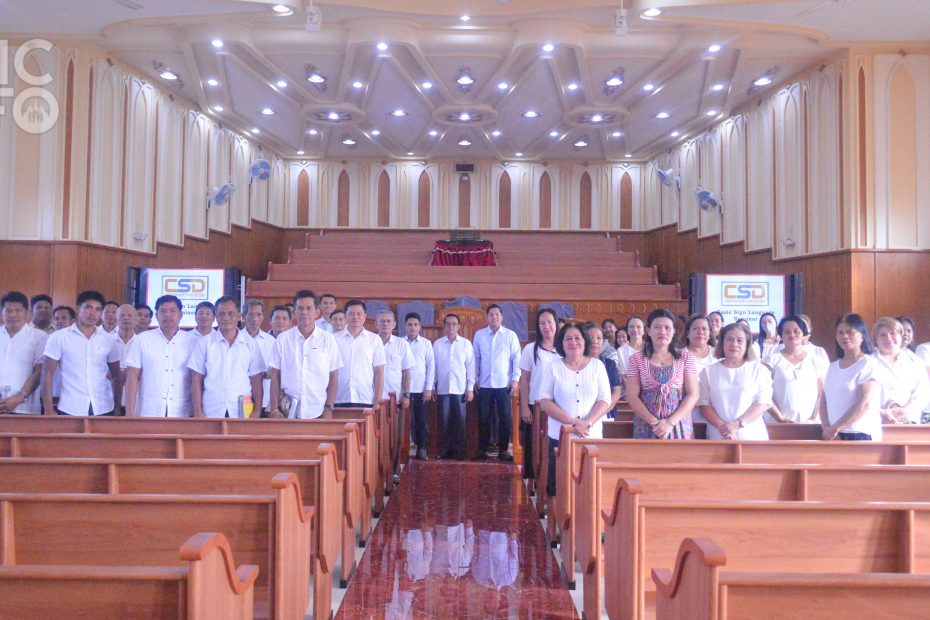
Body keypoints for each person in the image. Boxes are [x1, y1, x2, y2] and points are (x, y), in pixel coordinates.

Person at [538, 323, 611, 496]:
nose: (573, 342)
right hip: (561, 435)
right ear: (561, 343)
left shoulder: (597, 366)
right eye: (568, 339)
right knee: (560, 486)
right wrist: (572, 422)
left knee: (590, 487)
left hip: (591, 435)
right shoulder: (553, 367)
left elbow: (604, 399)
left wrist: (587, 422)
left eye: (577, 338)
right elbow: (545, 400)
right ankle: (558, 513)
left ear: (585, 341)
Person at [42, 290, 121, 416]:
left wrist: (117, 407)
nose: (93, 314)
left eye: (98, 310)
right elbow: (47, 374)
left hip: (103, 407)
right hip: (70, 407)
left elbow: (116, 375)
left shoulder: (109, 340)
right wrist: (48, 410)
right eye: (88, 308)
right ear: (78, 308)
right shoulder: (59, 337)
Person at [268, 290, 342, 419]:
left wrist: (328, 407)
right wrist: (274, 409)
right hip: (287, 413)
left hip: (318, 411)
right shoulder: (283, 339)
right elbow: (275, 375)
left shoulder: (328, 339)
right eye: (300, 308)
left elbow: (334, 376)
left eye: (309, 308)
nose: (304, 312)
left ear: (317, 312)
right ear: (294, 312)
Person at [188, 296, 266, 418]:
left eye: (230, 314)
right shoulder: (205, 343)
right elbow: (196, 379)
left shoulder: (251, 344)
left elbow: (256, 380)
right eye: (221, 314)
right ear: (216, 316)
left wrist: (257, 411)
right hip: (211, 409)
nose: (225, 318)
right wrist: (198, 412)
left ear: (239, 316)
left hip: (243, 411)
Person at [626, 309, 699, 439]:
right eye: (657, 327)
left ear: (674, 331)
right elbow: (632, 397)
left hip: (678, 424)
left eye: (667, 328)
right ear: (648, 330)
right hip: (647, 425)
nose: (662, 332)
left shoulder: (686, 358)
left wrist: (670, 423)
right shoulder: (636, 359)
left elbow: (693, 394)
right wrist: (655, 423)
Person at [125, 295, 198, 418]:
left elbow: (197, 379)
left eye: (172, 311)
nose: (167, 315)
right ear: (156, 315)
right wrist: (130, 411)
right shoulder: (142, 339)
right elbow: (132, 376)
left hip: (182, 411)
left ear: (180, 315)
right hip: (149, 410)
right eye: (163, 311)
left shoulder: (194, 341)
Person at [698, 322, 773, 440]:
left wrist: (737, 424)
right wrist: (724, 428)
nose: (734, 344)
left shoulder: (759, 370)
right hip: (719, 435)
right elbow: (704, 404)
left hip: (752, 436)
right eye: (729, 339)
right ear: (722, 343)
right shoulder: (707, 372)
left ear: (747, 344)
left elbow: (763, 402)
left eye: (740, 340)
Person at [821, 313, 884, 441]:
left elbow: (865, 402)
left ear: (862, 335)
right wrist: (827, 428)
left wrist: (836, 427)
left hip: (859, 432)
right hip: (834, 435)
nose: (845, 336)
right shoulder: (832, 367)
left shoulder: (868, 364)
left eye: (850, 332)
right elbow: (823, 401)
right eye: (840, 333)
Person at [473, 304, 521, 462]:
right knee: (483, 418)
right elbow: (476, 358)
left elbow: (516, 358)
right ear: (487, 317)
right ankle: (483, 449)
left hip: (504, 384)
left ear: (502, 317)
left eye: (497, 314)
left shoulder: (510, 335)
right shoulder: (480, 335)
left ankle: (503, 450)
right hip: (484, 384)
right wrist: (476, 378)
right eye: (491, 314)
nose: (494, 317)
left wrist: (515, 379)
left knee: (505, 418)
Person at [518, 308, 560, 480]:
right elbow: (524, 380)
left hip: (558, 406)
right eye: (542, 323)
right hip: (535, 405)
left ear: (556, 324)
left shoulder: (564, 348)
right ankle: (533, 478)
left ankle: (551, 479)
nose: (546, 326)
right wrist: (524, 408)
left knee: (552, 443)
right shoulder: (530, 349)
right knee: (533, 444)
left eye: (549, 322)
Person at [765, 316, 826, 424]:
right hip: (777, 425)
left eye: (796, 331)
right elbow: (763, 392)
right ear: (781, 335)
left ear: (803, 334)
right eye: (787, 332)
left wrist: (814, 419)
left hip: (809, 425)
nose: (792, 335)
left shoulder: (815, 360)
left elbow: (823, 394)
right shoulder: (771, 359)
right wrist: (780, 418)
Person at [432, 313, 475, 461]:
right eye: (448, 324)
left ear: (458, 327)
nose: (451, 326)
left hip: (460, 390)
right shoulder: (438, 344)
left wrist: (470, 388)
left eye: (454, 324)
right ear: (444, 326)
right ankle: (444, 450)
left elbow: (471, 368)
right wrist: (432, 386)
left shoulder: (466, 344)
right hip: (443, 389)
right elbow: (433, 367)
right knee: (444, 422)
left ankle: (459, 452)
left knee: (460, 422)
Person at [871, 317, 928, 424]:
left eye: (893, 333)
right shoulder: (867, 362)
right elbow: (859, 397)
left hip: (909, 422)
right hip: (875, 423)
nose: (888, 338)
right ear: (875, 338)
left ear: (900, 336)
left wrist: (902, 411)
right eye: (883, 335)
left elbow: (923, 394)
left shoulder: (915, 362)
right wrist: (881, 413)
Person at [377, 309, 415, 469]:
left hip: (395, 399)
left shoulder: (402, 344)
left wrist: (406, 394)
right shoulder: (370, 343)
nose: (385, 324)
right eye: (382, 321)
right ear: (376, 324)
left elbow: (406, 372)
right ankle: (376, 471)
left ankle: (393, 470)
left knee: (395, 437)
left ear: (394, 324)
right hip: (374, 399)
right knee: (376, 436)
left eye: (388, 321)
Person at [0, 291, 48, 414]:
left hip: (25, 409)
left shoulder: (39, 337)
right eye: (8, 311)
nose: (13, 315)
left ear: (27, 313)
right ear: (2, 313)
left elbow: (39, 372)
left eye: (18, 310)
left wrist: (20, 397)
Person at [334, 300, 386, 408]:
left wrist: (377, 400)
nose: (355, 317)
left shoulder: (375, 340)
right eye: (351, 314)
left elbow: (379, 373)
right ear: (345, 316)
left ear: (365, 317)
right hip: (338, 398)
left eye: (359, 314)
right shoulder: (334, 339)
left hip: (365, 398)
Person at [403, 312, 435, 461]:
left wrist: (429, 388)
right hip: (403, 390)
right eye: (410, 324)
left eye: (415, 324)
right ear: (405, 326)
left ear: (420, 327)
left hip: (421, 389)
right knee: (404, 421)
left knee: (421, 420)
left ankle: (421, 448)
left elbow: (431, 366)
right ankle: (403, 448)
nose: (412, 327)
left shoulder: (426, 343)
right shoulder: (399, 342)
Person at [242, 300, 276, 413]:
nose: (255, 318)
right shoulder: (237, 339)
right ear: (244, 316)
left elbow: (275, 369)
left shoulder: (270, 340)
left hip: (266, 399)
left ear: (263, 317)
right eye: (251, 314)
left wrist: (265, 373)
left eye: (258, 314)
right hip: (243, 398)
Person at [585, 323, 623, 419]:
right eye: (591, 337)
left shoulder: (609, 364)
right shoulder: (576, 363)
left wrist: (599, 413)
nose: (595, 341)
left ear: (603, 342)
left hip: (606, 414)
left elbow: (616, 391)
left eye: (599, 338)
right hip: (581, 415)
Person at [112, 304, 137, 414]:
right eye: (122, 315)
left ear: (136, 320)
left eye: (129, 315)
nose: (126, 318)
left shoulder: (143, 343)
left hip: (135, 401)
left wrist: (130, 374)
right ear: (116, 320)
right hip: (109, 400)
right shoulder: (107, 341)